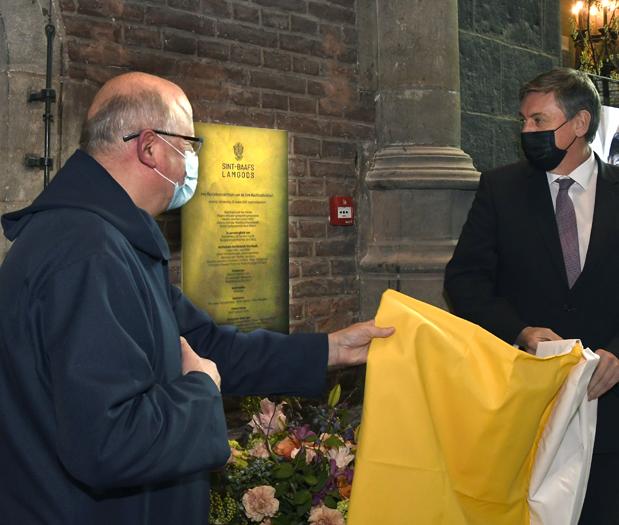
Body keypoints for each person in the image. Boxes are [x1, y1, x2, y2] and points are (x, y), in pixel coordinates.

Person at [0, 72, 394, 525]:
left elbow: (209, 345)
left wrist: (332, 348)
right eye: (188, 145)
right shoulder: (87, 253)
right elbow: (108, 441)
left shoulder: (112, 239)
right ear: (149, 148)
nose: (192, 159)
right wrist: (201, 389)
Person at [444, 68, 619, 525]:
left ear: (579, 123)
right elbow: (465, 280)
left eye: (539, 121)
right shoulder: (500, 190)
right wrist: (520, 330)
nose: (526, 132)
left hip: (603, 405)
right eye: (523, 121)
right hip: (518, 404)